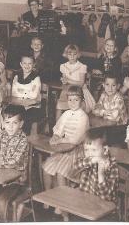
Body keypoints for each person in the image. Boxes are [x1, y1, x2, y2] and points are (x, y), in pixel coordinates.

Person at [43, 86, 90, 219]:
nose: (73, 103)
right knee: (46, 167)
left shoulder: (83, 117)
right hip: (63, 149)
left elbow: (75, 139)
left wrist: (59, 141)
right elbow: (58, 129)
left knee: (60, 172)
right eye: (70, 100)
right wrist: (56, 136)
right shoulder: (66, 114)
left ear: (81, 101)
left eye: (76, 100)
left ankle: (62, 207)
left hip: (77, 152)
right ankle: (49, 197)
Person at [73, 128, 119, 204]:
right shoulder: (89, 160)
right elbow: (75, 165)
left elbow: (106, 197)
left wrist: (101, 174)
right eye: (86, 150)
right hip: (86, 200)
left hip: (104, 206)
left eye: (93, 150)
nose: (89, 154)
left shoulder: (112, 166)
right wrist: (92, 161)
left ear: (105, 150)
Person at [56, 44, 95, 120]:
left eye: (75, 54)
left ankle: (77, 125)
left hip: (78, 90)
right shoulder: (63, 66)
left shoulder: (82, 66)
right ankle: (57, 128)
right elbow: (64, 81)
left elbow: (81, 83)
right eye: (69, 54)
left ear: (78, 55)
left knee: (76, 105)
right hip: (67, 90)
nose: (72, 56)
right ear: (66, 55)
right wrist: (64, 81)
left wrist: (68, 80)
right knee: (59, 105)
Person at [11, 54, 43, 134]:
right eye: (24, 63)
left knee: (27, 117)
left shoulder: (36, 78)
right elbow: (14, 92)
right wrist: (26, 92)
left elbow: (33, 95)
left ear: (33, 65)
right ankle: (12, 134)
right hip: (19, 104)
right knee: (9, 112)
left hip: (32, 106)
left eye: (30, 63)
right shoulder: (17, 76)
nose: (27, 66)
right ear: (21, 64)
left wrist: (21, 92)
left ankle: (24, 137)